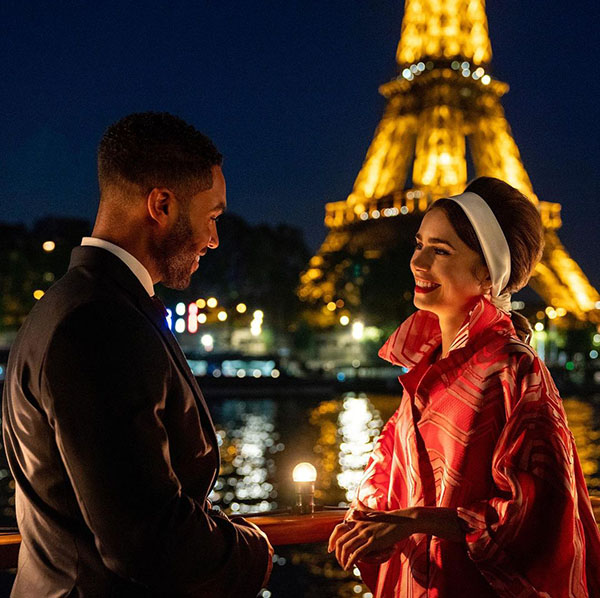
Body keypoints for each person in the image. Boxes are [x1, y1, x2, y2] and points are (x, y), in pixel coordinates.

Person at [2, 112, 273, 597]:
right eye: (212, 217)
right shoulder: (102, 324)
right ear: (162, 204)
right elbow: (144, 537)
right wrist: (253, 552)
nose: (214, 240)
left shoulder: (73, 304)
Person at [328, 177, 600, 597]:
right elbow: (387, 470)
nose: (418, 263)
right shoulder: (426, 362)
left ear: (488, 272)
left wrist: (418, 520)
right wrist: (371, 518)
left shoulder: (513, 366)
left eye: (441, 251)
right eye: (419, 245)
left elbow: (537, 512)